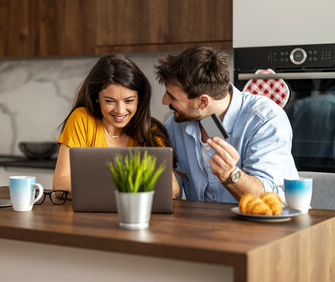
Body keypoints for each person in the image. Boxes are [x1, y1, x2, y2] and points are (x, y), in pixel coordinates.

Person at [155, 46, 298, 203]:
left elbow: (268, 200)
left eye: (172, 97)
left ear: (203, 102)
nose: (164, 101)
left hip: (273, 225)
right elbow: (171, 192)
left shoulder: (264, 120)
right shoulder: (176, 125)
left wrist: (230, 174)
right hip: (206, 225)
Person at [53, 54, 179, 197]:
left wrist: (97, 186)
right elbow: (60, 184)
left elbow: (172, 188)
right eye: (109, 101)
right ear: (96, 98)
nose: (120, 110)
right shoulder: (82, 119)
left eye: (129, 101)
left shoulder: (150, 131)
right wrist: (130, 186)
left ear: (139, 99)